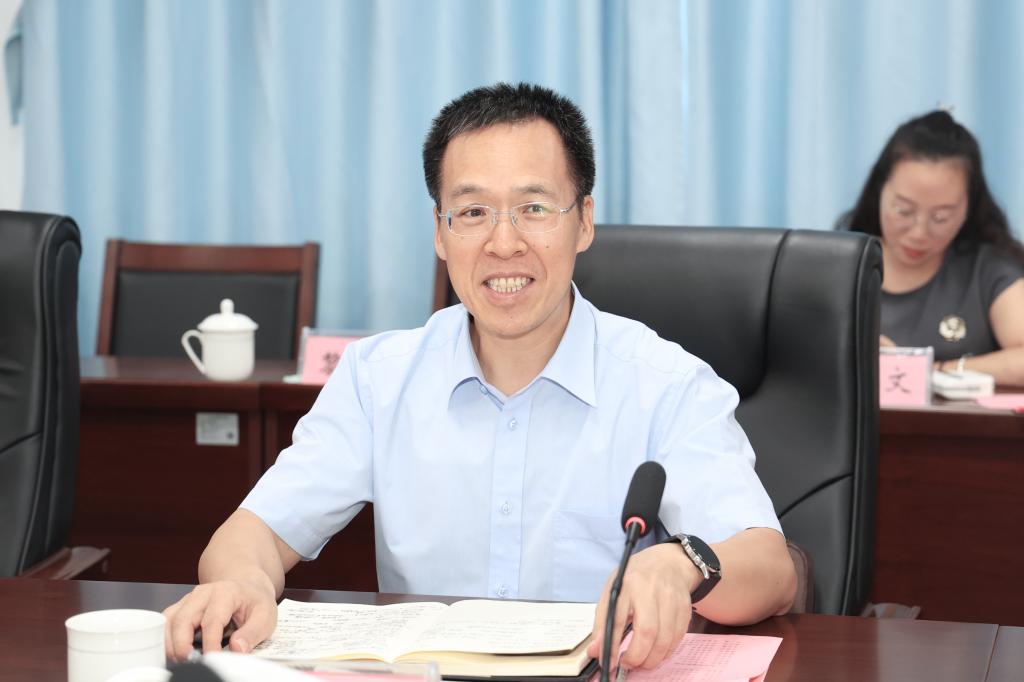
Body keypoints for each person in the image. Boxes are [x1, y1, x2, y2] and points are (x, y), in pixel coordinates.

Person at [163, 83, 796, 670]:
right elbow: (254, 534)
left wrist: (679, 564)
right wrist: (241, 583)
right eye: (471, 213)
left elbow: (771, 568)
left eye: (534, 207)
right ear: (439, 233)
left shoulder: (666, 383)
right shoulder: (378, 379)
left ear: (584, 221)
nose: (503, 242)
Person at [840, 110, 1024, 384]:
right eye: (903, 211)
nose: (919, 233)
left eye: (941, 217)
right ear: (879, 191)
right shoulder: (842, 266)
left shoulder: (989, 270)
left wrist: (925, 371)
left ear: (969, 207)